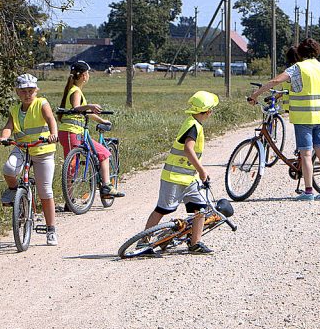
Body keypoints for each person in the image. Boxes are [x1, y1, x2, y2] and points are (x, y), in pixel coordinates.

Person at [249, 38, 320, 201]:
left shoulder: (298, 67)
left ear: (301, 52)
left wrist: (255, 95)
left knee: (305, 154)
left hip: (304, 117)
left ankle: (309, 191)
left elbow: (276, 81)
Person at [140, 90, 220, 254]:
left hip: (188, 179)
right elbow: (188, 149)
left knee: (200, 208)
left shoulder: (195, 124)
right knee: (162, 209)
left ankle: (195, 243)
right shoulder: (193, 126)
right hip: (174, 178)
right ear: (207, 111)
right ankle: (144, 243)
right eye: (211, 109)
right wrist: (202, 171)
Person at [0, 74, 60, 245]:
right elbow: (8, 127)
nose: (27, 94)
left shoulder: (41, 103)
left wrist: (54, 134)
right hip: (22, 148)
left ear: (36, 91)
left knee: (45, 190)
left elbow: (51, 119)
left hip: (42, 149)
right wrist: (3, 137)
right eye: (23, 91)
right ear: (17, 92)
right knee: (9, 169)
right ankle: (15, 192)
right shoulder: (15, 110)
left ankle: (51, 229)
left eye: (31, 91)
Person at [56, 61, 124, 200]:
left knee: (101, 154)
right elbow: (77, 108)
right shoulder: (75, 91)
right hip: (72, 132)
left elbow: (85, 111)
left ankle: (103, 186)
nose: (88, 76)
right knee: (73, 165)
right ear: (83, 76)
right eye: (87, 73)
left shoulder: (75, 90)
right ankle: (103, 187)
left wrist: (101, 120)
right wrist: (89, 105)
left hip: (75, 132)